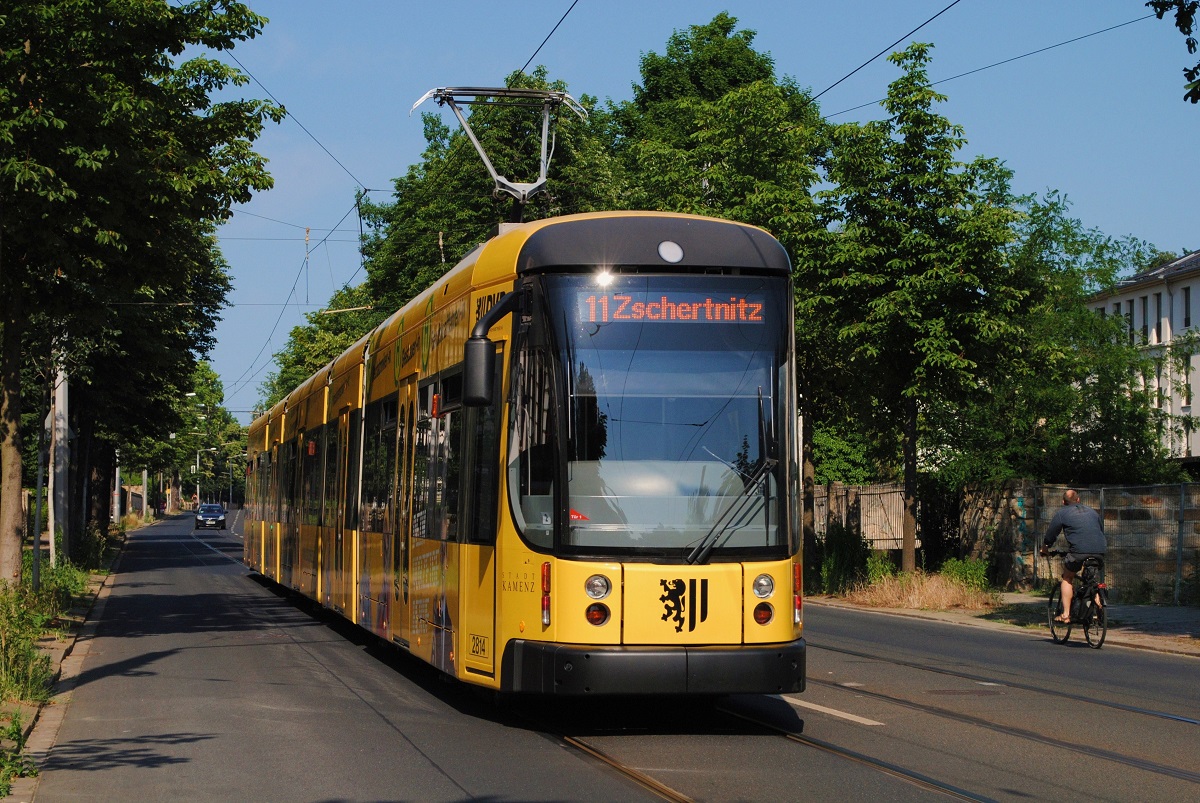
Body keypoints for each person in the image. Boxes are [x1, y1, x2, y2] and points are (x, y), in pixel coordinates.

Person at [1039, 489, 1106, 622]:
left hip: (1078, 551)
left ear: (1063, 502)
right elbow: (1099, 530)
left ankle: (1066, 614)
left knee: (1067, 578)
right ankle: (1100, 609)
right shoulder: (1093, 512)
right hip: (1100, 549)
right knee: (1091, 582)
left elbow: (1051, 534)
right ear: (1078, 500)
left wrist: (1045, 548)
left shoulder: (1062, 513)